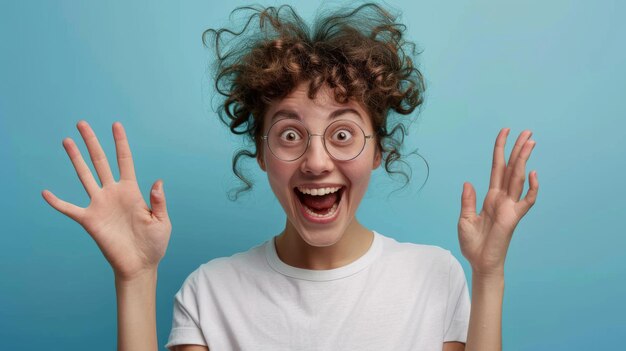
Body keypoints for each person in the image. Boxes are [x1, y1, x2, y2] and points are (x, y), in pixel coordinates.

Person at [41, 3, 538, 351]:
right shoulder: (209, 293)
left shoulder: (435, 277)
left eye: (342, 134)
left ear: (379, 151)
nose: (317, 162)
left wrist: (489, 274)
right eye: (290, 136)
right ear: (260, 153)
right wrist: (135, 278)